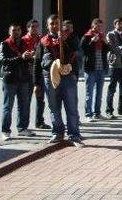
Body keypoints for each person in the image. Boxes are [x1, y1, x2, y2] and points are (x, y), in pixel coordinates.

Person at [36, 14, 82, 146]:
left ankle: (74, 135)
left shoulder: (70, 37)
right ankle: (57, 133)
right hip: (49, 78)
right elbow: (37, 62)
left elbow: (76, 54)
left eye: (57, 23)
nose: (55, 26)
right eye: (52, 23)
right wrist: (36, 83)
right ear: (47, 26)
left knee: (71, 107)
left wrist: (64, 41)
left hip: (67, 77)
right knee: (54, 107)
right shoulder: (43, 41)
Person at [0, 24, 35, 140]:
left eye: (18, 30)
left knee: (24, 105)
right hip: (10, 79)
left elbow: (27, 61)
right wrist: (21, 58)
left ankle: (22, 128)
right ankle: (5, 131)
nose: (16, 32)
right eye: (14, 30)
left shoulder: (24, 43)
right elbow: (4, 61)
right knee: (7, 106)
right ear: (10, 32)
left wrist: (30, 57)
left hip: (23, 79)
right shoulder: (5, 44)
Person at [23, 20, 50, 130]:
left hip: (39, 72)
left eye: (37, 27)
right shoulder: (24, 40)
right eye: (33, 27)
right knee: (26, 100)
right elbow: (22, 54)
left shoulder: (41, 39)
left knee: (40, 99)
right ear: (28, 28)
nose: (35, 29)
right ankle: (24, 125)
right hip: (27, 72)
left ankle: (39, 121)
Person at [81, 18, 109, 122]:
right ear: (93, 25)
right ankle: (88, 114)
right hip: (90, 69)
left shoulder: (102, 36)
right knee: (89, 93)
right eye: (97, 25)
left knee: (99, 92)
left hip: (101, 68)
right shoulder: (87, 36)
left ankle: (97, 113)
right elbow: (83, 50)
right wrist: (92, 41)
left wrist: (105, 42)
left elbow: (107, 50)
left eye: (101, 26)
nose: (99, 27)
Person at [105, 18, 122, 118]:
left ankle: (121, 109)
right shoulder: (110, 34)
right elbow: (111, 48)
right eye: (118, 23)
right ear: (115, 25)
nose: (120, 25)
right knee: (112, 88)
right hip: (115, 64)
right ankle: (109, 111)